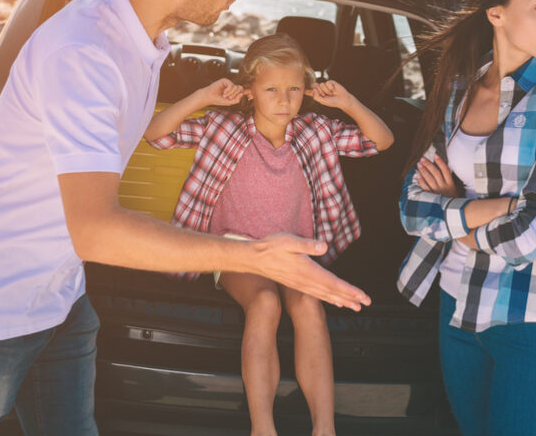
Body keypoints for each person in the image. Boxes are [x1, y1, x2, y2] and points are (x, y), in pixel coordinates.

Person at [0, 0, 370, 436]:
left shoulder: (141, 38)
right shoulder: (86, 56)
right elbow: (96, 232)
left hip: (58, 297)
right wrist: (255, 257)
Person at [144, 32, 394, 436]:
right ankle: (263, 428)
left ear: (306, 91)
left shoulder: (316, 131)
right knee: (263, 304)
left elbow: (380, 141)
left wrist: (348, 102)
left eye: (294, 89)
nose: (284, 100)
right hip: (237, 254)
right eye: (272, 89)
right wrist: (203, 96)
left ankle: (324, 428)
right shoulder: (222, 128)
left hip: (296, 258)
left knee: (309, 308)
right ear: (249, 92)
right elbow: (156, 134)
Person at [396, 0, 536, 436]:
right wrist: (507, 207)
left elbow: (532, 236)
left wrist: (456, 216)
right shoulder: (459, 88)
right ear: (496, 12)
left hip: (529, 321)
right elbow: (411, 207)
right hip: (455, 305)